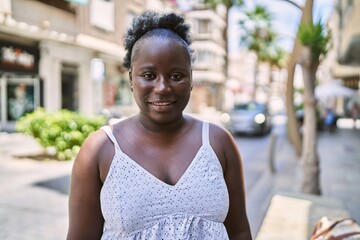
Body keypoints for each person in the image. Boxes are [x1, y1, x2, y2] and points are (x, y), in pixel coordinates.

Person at [67, 11, 252, 240]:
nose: (163, 87)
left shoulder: (218, 142)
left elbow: (240, 232)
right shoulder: (99, 149)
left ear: (191, 80)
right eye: (148, 75)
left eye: (176, 75)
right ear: (131, 79)